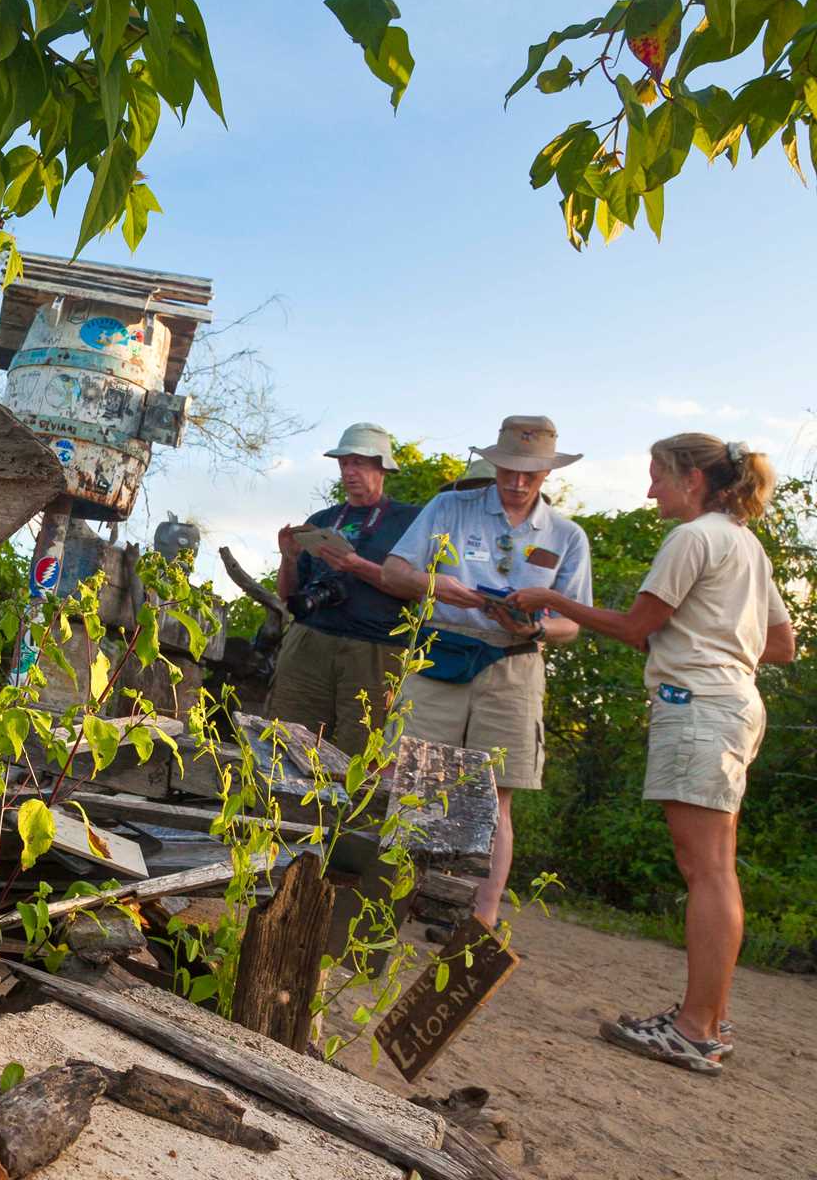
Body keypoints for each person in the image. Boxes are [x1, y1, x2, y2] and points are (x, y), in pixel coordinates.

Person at [509, 434, 795, 1075]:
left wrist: (550, 598)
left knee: (708, 871)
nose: (650, 491)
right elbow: (781, 645)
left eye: (657, 477)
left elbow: (637, 627)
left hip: (697, 707)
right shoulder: (746, 544)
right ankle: (707, 1021)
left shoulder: (693, 538)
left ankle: (695, 1030)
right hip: (734, 703)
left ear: (692, 478)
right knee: (716, 867)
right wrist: (702, 639)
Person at [380, 416, 593, 927]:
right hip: (440, 653)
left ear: (547, 473)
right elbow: (393, 571)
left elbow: (573, 622)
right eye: (509, 470)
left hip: (515, 665)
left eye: (531, 473)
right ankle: (384, 906)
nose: (518, 483)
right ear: (495, 463)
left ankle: (480, 921)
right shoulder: (449, 507)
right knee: (409, 781)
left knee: (497, 798)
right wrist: (435, 586)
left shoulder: (567, 535)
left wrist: (535, 630)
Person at [266, 422, 421, 756]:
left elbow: (418, 589)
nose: (350, 471)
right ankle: (278, 808)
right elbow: (287, 595)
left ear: (382, 467)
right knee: (288, 741)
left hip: (375, 648)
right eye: (344, 463)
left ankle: (346, 811)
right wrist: (289, 559)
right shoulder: (323, 519)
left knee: (359, 751)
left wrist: (355, 566)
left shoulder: (410, 521)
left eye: (359, 463)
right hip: (310, 639)